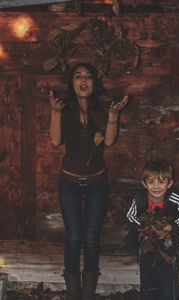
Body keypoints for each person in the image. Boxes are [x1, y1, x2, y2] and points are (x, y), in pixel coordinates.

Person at [49, 62, 128, 300]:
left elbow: (110, 142)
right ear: (71, 83)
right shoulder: (65, 108)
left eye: (87, 77)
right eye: (77, 77)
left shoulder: (102, 107)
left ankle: (88, 294)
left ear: (94, 82)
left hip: (97, 182)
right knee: (74, 235)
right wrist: (55, 112)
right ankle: (74, 294)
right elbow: (55, 141)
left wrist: (113, 116)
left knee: (91, 236)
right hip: (69, 182)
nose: (83, 81)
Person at [126, 159, 179, 300]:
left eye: (161, 182)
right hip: (147, 241)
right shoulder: (140, 198)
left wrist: (171, 226)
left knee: (167, 276)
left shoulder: (175, 198)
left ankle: (168, 294)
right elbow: (129, 216)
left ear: (169, 183)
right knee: (147, 276)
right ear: (144, 183)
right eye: (151, 182)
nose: (156, 187)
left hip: (170, 240)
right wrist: (145, 228)